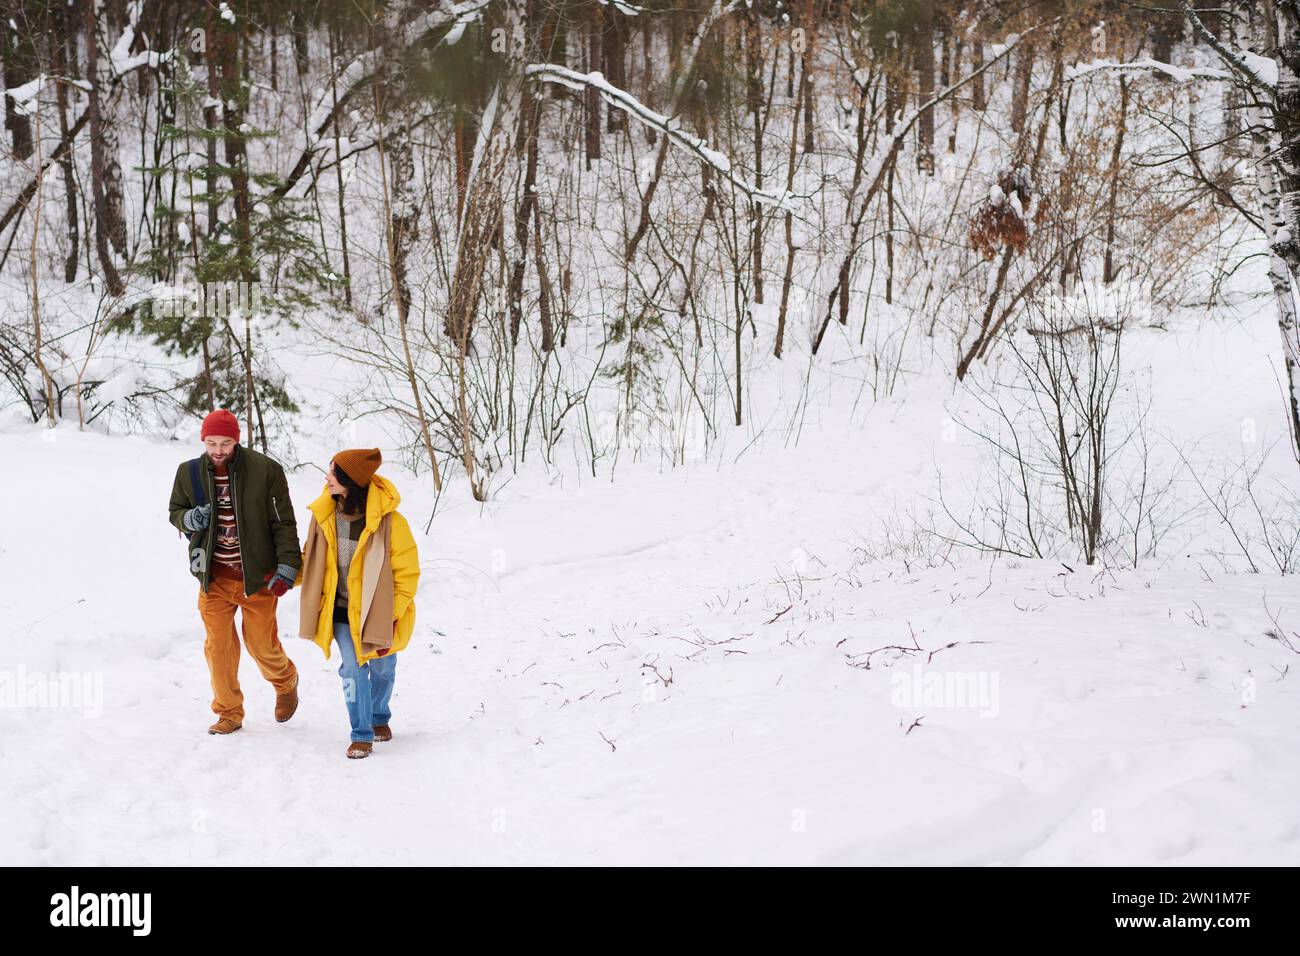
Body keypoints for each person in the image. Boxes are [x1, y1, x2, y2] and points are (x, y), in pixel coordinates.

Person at [167, 409, 302, 735]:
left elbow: (282, 522)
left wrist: (286, 566)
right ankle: (228, 712)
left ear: (236, 441)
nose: (218, 450)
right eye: (211, 442)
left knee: (260, 645)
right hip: (213, 578)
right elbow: (176, 512)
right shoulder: (189, 473)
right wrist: (190, 519)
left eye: (225, 443)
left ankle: (285, 681)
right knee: (219, 648)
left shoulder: (265, 470)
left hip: (256, 578)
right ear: (203, 440)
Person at [297, 448, 419, 758]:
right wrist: (282, 574)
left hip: (375, 614)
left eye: (334, 473)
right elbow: (309, 559)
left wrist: (390, 615)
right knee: (352, 669)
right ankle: (360, 732)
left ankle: (379, 716)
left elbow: (407, 574)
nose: (327, 478)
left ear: (351, 480)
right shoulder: (324, 516)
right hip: (339, 611)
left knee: (382, 668)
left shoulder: (391, 522)